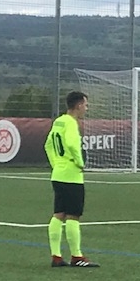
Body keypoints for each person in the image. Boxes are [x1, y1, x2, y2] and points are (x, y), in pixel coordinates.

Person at [44, 91, 99, 268]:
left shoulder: (59, 121)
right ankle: (76, 256)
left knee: (58, 214)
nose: (86, 108)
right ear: (78, 105)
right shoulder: (71, 123)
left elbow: (48, 145)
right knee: (73, 215)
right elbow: (72, 144)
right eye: (86, 105)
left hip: (58, 173)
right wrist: (80, 163)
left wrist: (56, 163)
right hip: (71, 175)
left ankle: (56, 256)